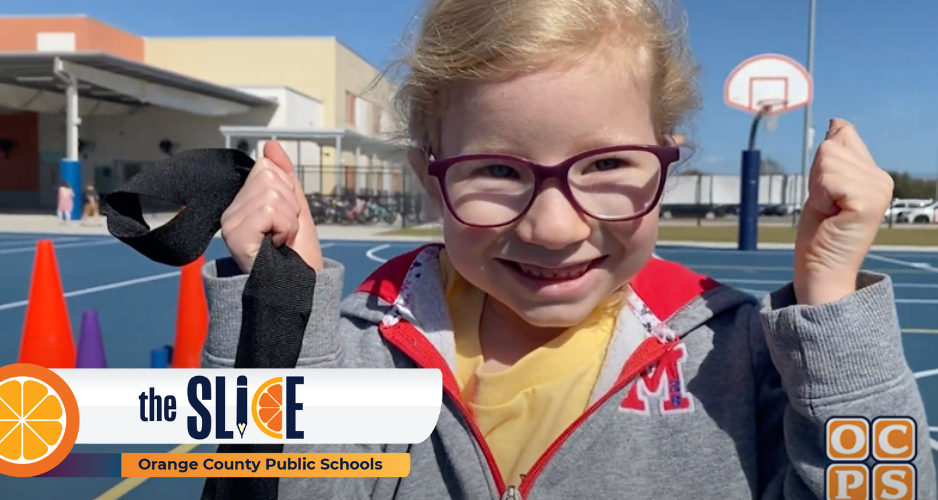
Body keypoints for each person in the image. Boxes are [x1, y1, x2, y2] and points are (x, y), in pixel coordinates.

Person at [200, 0, 936, 498]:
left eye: (608, 165)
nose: (553, 227)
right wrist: (279, 319)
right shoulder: (359, 348)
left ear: (666, 160)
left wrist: (833, 305)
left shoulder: (733, 352)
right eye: (494, 170)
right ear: (431, 178)